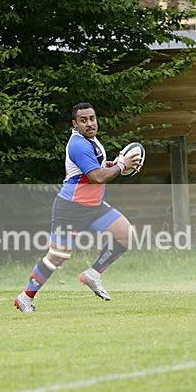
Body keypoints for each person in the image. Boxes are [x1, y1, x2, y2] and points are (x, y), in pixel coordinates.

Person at [14, 102, 141, 312]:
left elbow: (98, 167)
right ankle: (25, 298)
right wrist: (121, 165)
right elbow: (97, 177)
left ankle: (93, 274)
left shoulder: (91, 140)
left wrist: (116, 163)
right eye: (83, 120)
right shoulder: (78, 144)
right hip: (71, 209)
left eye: (92, 118)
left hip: (94, 207)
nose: (90, 123)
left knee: (126, 235)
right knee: (57, 256)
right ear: (75, 124)